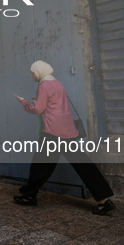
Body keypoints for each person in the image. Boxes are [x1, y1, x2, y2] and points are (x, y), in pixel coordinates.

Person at [13, 60, 116, 216]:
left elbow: (38, 109)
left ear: (40, 71)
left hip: (52, 133)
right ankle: (104, 200)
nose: (33, 75)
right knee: (84, 165)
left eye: (33, 72)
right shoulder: (57, 83)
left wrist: (24, 102)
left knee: (40, 165)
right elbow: (55, 103)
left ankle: (29, 196)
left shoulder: (43, 85)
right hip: (67, 131)